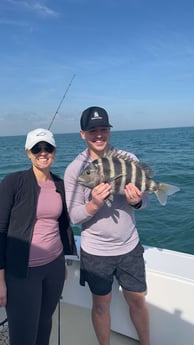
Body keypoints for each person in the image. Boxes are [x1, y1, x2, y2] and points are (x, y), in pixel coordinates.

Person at [64, 106, 150, 345]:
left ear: (109, 131)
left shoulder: (129, 159)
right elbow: (73, 216)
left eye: (103, 129)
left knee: (137, 300)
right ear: (83, 134)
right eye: (93, 130)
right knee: (101, 305)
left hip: (129, 247)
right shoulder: (75, 170)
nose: (99, 135)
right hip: (96, 253)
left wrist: (137, 201)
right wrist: (93, 204)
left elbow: (145, 202)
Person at [0, 128, 77, 345]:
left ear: (54, 151)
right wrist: (0, 280)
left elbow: (62, 226)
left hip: (53, 268)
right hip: (22, 273)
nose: (42, 152)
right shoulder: (13, 182)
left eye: (47, 147)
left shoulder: (60, 184)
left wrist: (63, 261)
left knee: (44, 326)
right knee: (23, 336)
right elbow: (0, 231)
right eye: (36, 148)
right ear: (28, 153)